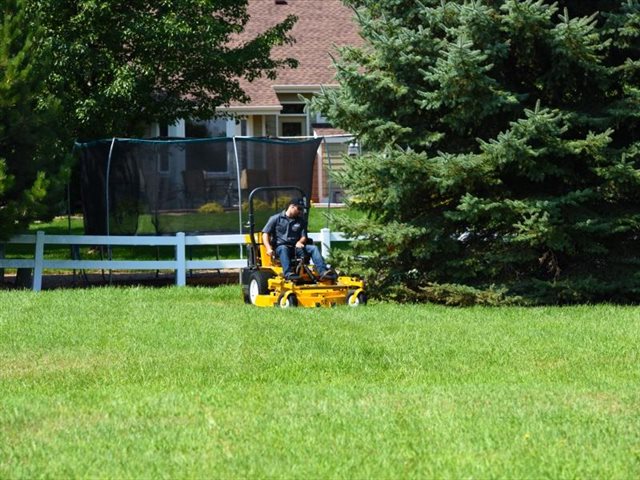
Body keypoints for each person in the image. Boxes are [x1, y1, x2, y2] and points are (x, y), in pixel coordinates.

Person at [262, 197, 336, 281]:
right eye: (299, 208)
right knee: (283, 248)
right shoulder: (275, 218)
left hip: (296, 247)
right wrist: (268, 248)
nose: (300, 211)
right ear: (292, 206)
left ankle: (323, 272)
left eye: (301, 209)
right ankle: (288, 273)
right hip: (281, 247)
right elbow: (265, 234)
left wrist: (299, 242)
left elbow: (304, 236)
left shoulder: (301, 221)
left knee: (313, 248)